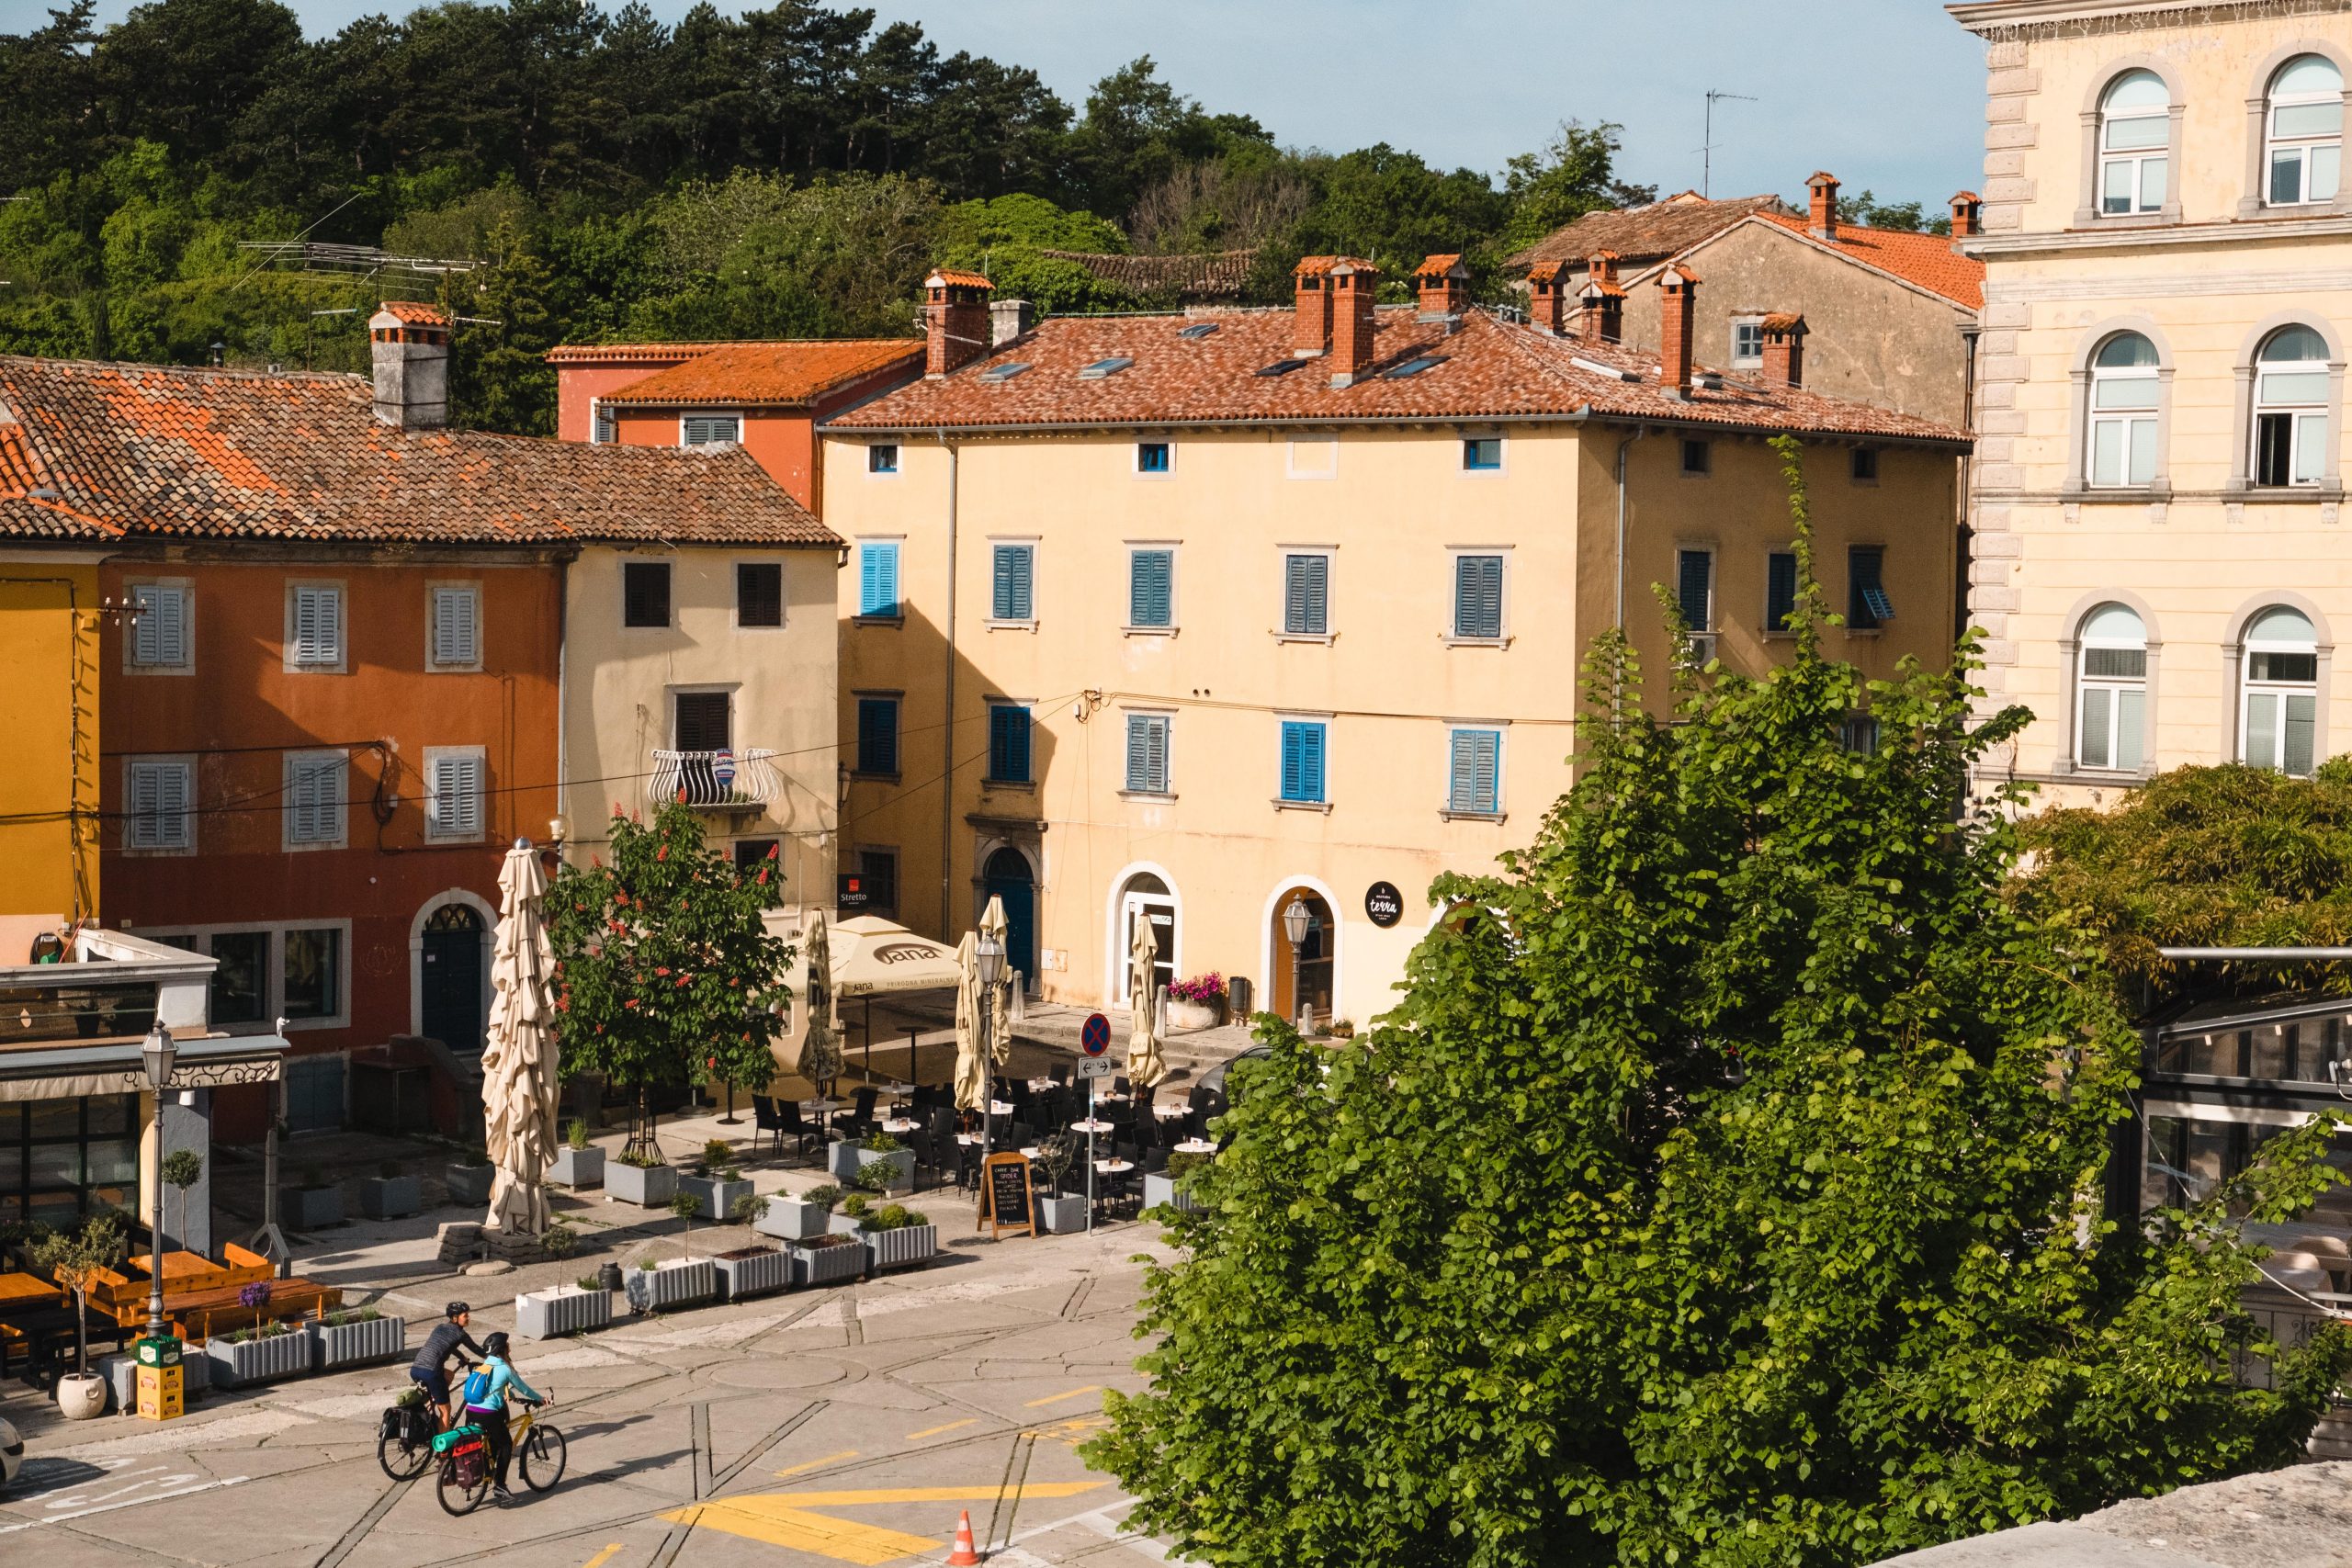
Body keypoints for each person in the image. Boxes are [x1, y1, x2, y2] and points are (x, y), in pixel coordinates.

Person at [458, 1330, 545, 1503]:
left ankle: (486, 1470)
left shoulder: (482, 1366)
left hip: (471, 1410)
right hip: (489, 1414)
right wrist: (540, 1399)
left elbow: (493, 1389)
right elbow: (524, 1388)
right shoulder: (505, 1369)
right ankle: (500, 1485)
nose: (510, 1348)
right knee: (506, 1445)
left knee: (490, 1443)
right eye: (508, 1345)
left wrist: (510, 1397)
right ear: (502, 1349)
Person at [409, 1301, 484, 1432]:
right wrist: (495, 1358)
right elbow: (477, 1350)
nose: (468, 1318)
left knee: (449, 1375)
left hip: (416, 1369)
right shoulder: (460, 1334)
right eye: (465, 1315)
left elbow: (448, 1345)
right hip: (431, 1373)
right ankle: (442, 1449)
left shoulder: (440, 1327)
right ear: (455, 1318)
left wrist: (462, 1358)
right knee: (446, 1410)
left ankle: (433, 1401)